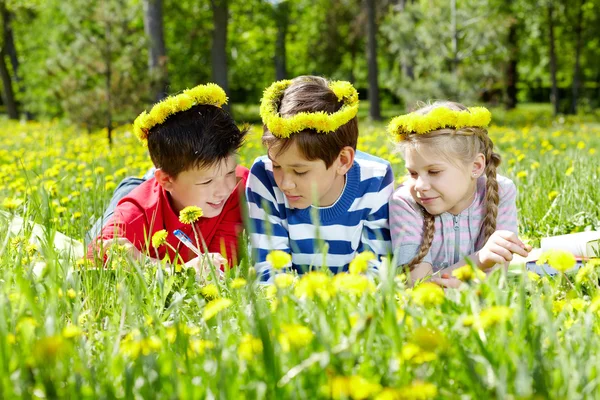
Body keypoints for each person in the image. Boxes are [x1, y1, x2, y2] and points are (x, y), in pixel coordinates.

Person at [246, 76, 394, 280]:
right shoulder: (264, 177)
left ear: (342, 161)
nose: (285, 184)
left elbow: (375, 272)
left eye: (300, 171)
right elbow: (269, 273)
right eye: (277, 165)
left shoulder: (375, 181)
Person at [88, 83, 249, 271]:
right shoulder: (137, 211)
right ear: (166, 180)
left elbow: (218, 269)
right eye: (207, 181)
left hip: (170, 186)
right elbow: (91, 260)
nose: (224, 189)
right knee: (99, 231)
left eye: (230, 172)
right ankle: (135, 182)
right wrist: (177, 270)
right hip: (141, 193)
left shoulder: (237, 187)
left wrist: (148, 263)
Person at [388, 101, 530, 287]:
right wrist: (479, 260)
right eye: (413, 173)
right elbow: (418, 286)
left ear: (476, 167)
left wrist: (450, 286)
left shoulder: (500, 192)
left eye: (434, 172)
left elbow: (496, 281)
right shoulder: (405, 203)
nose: (420, 185)